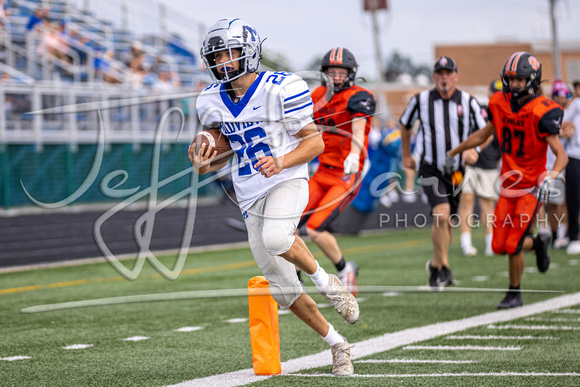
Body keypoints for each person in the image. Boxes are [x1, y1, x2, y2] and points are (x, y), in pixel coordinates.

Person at [189, 18, 359, 376]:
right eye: (216, 55)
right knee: (282, 290)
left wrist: (280, 160)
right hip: (249, 193)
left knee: (277, 236)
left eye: (229, 53)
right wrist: (201, 160)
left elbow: (315, 142)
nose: (222, 61)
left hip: (287, 179)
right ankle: (338, 344)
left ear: (248, 52)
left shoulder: (281, 87)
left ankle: (329, 284)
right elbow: (214, 155)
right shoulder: (209, 100)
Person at [447, 51, 568, 309]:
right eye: (511, 79)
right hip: (508, 185)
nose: (514, 85)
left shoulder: (542, 110)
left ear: (532, 81)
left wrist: (551, 177)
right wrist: (456, 151)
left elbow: (561, 155)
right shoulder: (498, 103)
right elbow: (484, 133)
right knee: (497, 244)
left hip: (531, 188)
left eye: (520, 80)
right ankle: (538, 243)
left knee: (512, 245)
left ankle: (514, 292)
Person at [400, 56, 487, 288]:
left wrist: (475, 150)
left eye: (448, 73)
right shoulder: (421, 99)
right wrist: (406, 154)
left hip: (457, 170)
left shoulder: (468, 101)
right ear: (434, 77)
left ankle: (435, 266)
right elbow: (405, 125)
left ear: (456, 77)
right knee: (441, 213)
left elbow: (486, 131)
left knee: (448, 220)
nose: (444, 77)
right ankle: (445, 266)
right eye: (439, 73)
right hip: (430, 166)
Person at [297, 47, 376, 296]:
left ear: (350, 73)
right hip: (321, 171)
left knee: (315, 228)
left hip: (345, 174)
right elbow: (306, 128)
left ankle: (344, 270)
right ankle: (294, 279)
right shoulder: (318, 95)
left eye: (341, 72)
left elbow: (359, 130)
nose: (337, 76)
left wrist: (355, 153)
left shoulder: (359, 96)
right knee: (288, 224)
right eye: (332, 72)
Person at [457, 80, 502, 257]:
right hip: (470, 163)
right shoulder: (478, 108)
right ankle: (466, 243)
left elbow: (498, 141)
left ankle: (490, 243)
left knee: (487, 206)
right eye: (494, 92)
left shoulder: (502, 112)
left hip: (489, 164)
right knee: (466, 202)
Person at [543, 80, 574, 249]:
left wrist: (564, 131)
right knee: (553, 204)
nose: (560, 101)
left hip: (566, 163)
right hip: (549, 163)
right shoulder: (548, 112)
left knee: (567, 202)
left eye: (563, 97)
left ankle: (566, 234)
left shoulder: (569, 113)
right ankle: (556, 236)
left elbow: (568, 130)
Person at [563, 80, 580, 255]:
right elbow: (563, 123)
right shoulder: (576, 104)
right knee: (574, 198)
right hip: (575, 155)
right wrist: (567, 129)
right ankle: (573, 236)